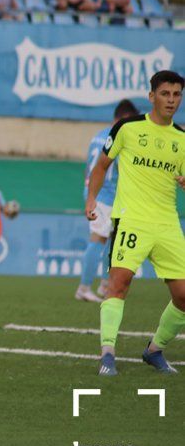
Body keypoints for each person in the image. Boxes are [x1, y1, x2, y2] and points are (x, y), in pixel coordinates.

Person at [86, 70, 185, 377]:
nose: (171, 100)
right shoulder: (127, 128)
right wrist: (91, 200)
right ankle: (107, 354)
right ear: (151, 95)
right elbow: (102, 165)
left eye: (177, 94)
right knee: (119, 283)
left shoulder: (182, 139)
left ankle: (154, 350)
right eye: (165, 94)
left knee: (183, 296)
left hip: (167, 223)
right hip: (131, 219)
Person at [76, 99, 140, 303]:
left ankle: (105, 285)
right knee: (98, 239)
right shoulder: (118, 137)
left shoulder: (98, 135)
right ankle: (84, 288)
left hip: (100, 194)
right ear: (123, 118)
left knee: (113, 241)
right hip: (104, 195)